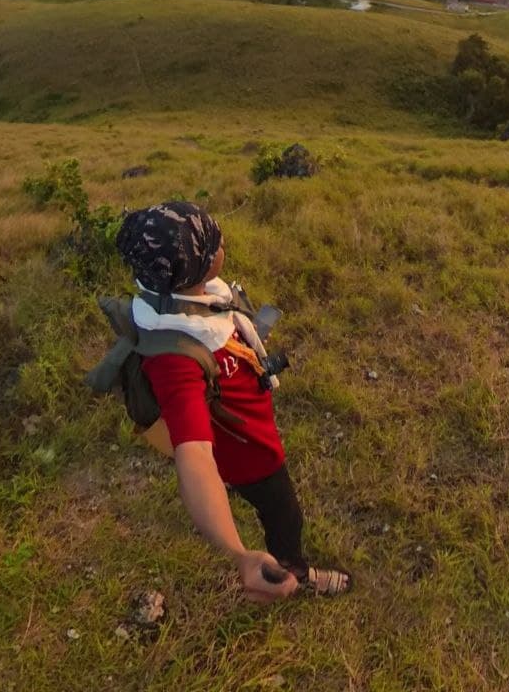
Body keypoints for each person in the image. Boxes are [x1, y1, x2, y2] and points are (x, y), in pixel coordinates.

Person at [115, 200, 352, 603]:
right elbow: (194, 457)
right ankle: (291, 570)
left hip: (245, 429)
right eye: (213, 243)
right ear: (198, 265)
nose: (222, 244)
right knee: (284, 513)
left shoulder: (185, 298)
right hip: (248, 454)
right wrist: (238, 554)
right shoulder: (175, 359)